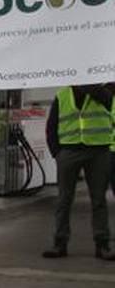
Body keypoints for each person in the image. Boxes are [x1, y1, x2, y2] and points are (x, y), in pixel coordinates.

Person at [41, 83, 113, 260]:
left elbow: (109, 103)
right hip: (69, 151)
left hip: (98, 150)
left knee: (98, 199)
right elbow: (52, 125)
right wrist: (57, 153)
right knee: (64, 199)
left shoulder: (102, 91)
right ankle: (60, 243)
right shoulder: (63, 94)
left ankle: (102, 244)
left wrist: (91, 87)